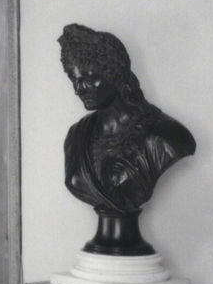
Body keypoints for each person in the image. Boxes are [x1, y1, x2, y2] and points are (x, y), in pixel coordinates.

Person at [58, 23, 195, 253]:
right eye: (74, 78)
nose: (79, 88)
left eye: (90, 78)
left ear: (114, 74)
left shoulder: (166, 135)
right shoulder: (76, 136)